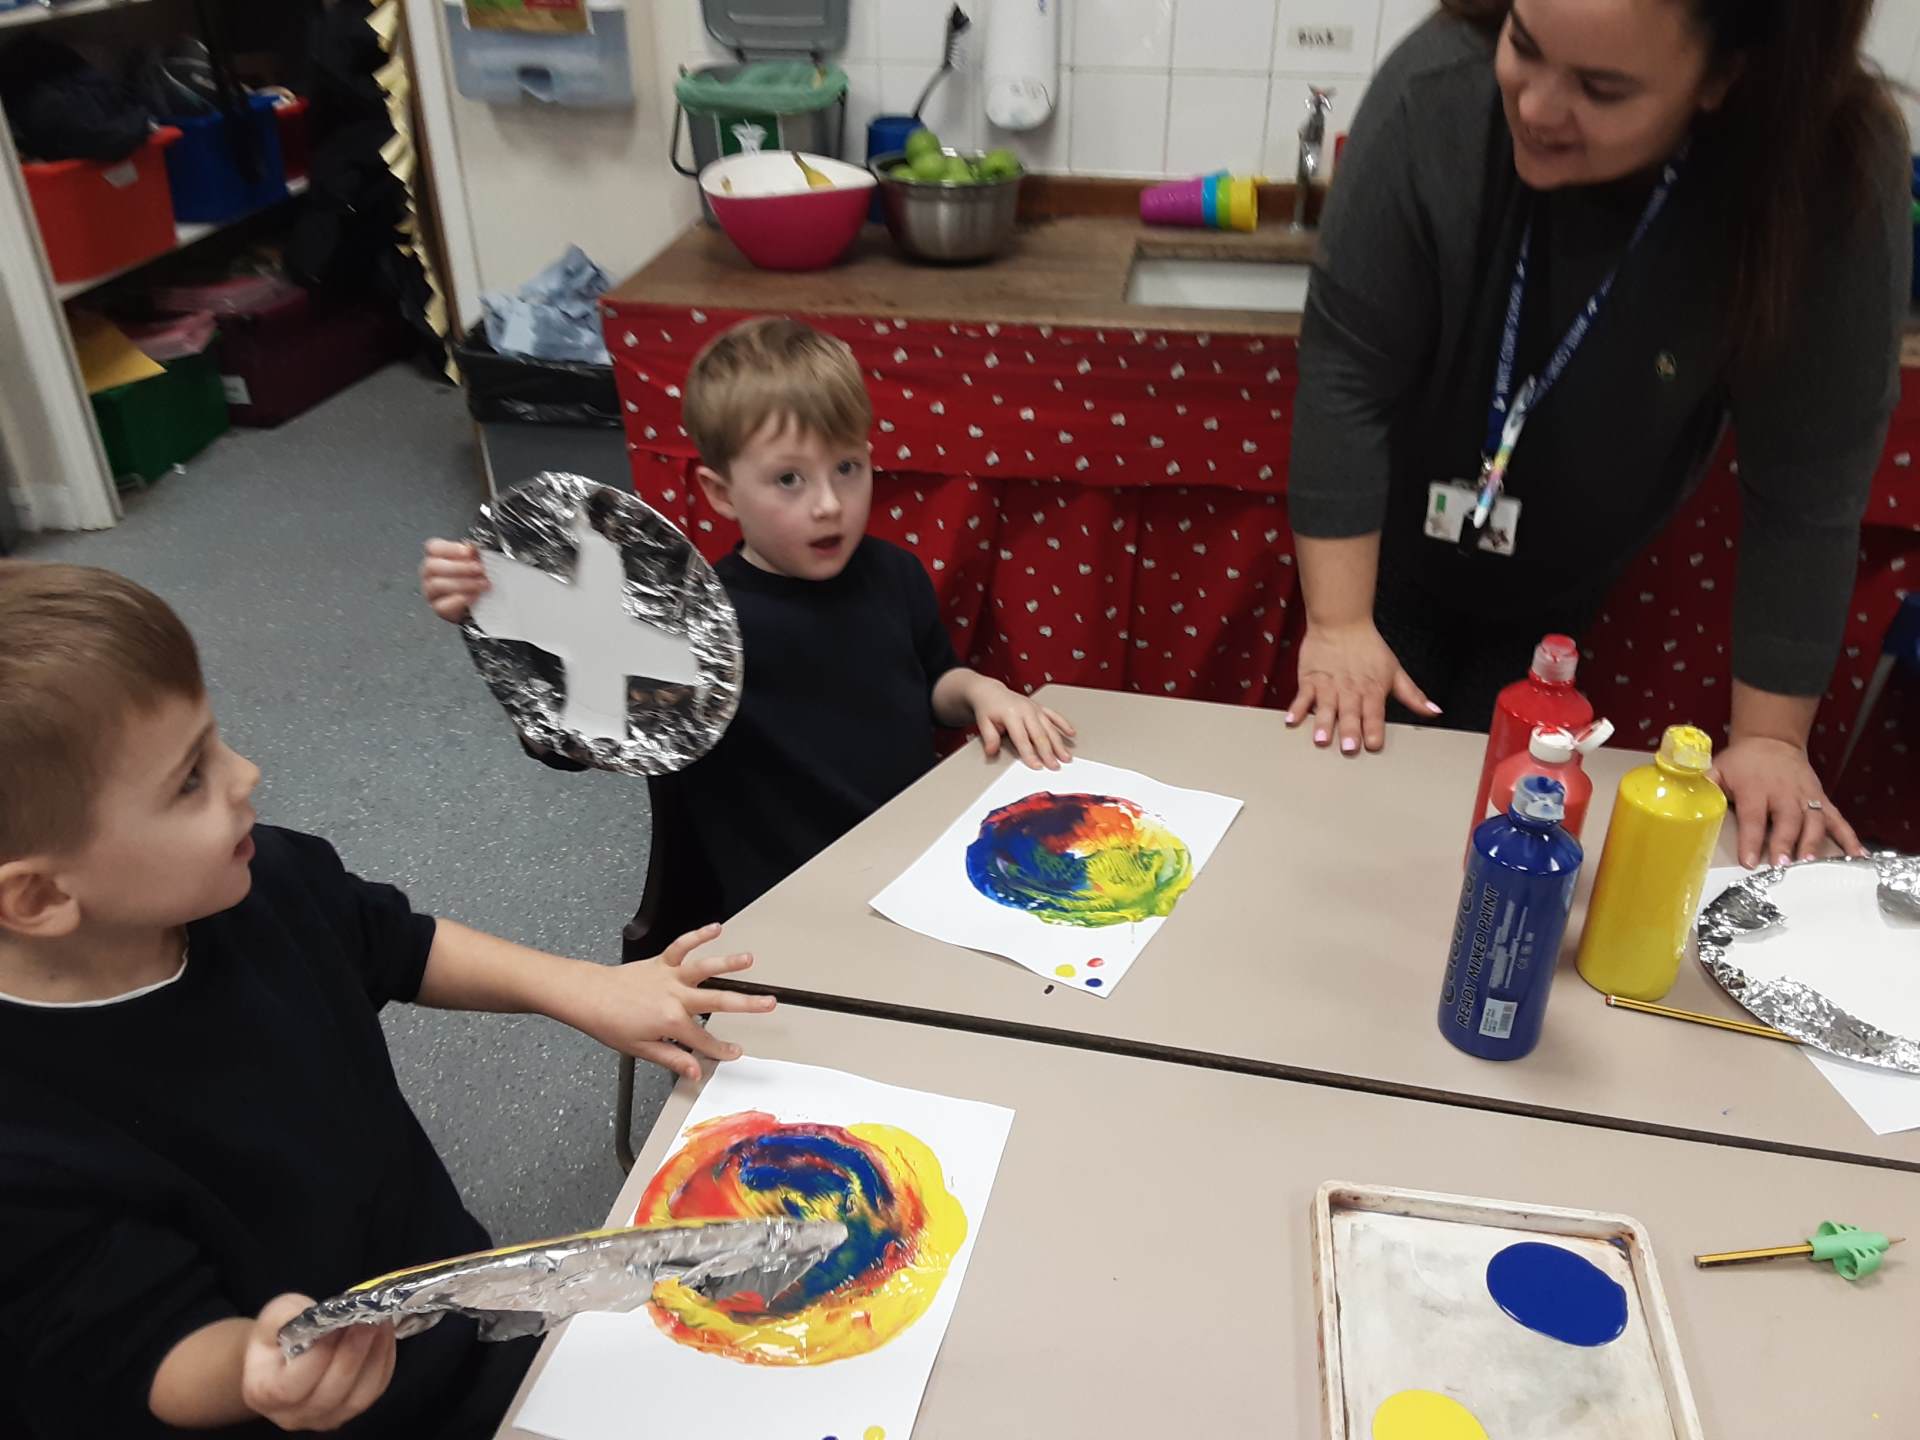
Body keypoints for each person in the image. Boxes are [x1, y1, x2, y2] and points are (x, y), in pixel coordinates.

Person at [0, 562, 774, 1439]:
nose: (245, 773)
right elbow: (136, 1349)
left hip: (448, 1309)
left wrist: (579, 987)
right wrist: (258, 1364)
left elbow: (394, 943)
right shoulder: (25, 1143)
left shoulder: (252, 879)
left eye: (216, 742)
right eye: (189, 780)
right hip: (308, 1408)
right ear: (39, 896)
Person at [1284, 0, 1907, 869]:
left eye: (1602, 89)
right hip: (1390, 545)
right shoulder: (1439, 90)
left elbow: (1808, 487)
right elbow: (1347, 369)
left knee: (1501, 818)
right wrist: (1340, 622)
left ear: (1724, 78)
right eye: (1524, 44)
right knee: (1346, 818)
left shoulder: (1827, 169)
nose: (1537, 106)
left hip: (1571, 569)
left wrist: (1771, 739)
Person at [423, 317, 1076, 921]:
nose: (829, 504)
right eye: (789, 480)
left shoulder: (895, 573)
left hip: (913, 867)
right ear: (720, 492)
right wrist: (499, 612)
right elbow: (579, 736)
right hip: (785, 911)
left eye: (847, 468)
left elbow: (934, 681)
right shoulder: (693, 623)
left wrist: (980, 691)